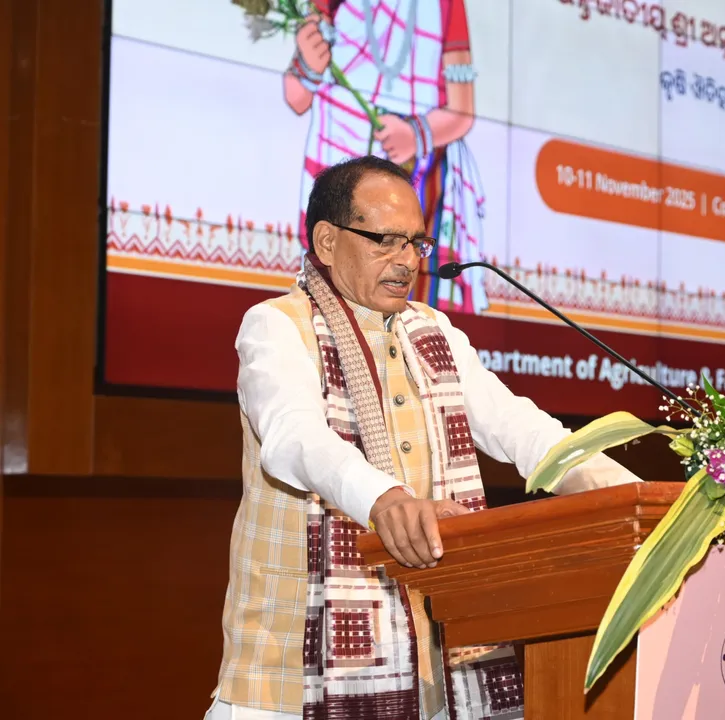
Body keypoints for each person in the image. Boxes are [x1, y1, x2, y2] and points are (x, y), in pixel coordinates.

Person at [206, 156, 641, 720]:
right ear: (327, 240)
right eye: (385, 240)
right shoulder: (277, 324)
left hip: (434, 681)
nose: (407, 261)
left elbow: (529, 435)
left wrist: (642, 502)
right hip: (290, 684)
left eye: (416, 242)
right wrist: (383, 499)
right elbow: (293, 437)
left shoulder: (434, 334)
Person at [285, 0, 489, 315]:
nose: (405, 257)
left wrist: (415, 135)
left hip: (417, 173)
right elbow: (296, 98)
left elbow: (463, 112)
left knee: (415, 315)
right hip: (334, 154)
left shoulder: (446, 4)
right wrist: (309, 68)